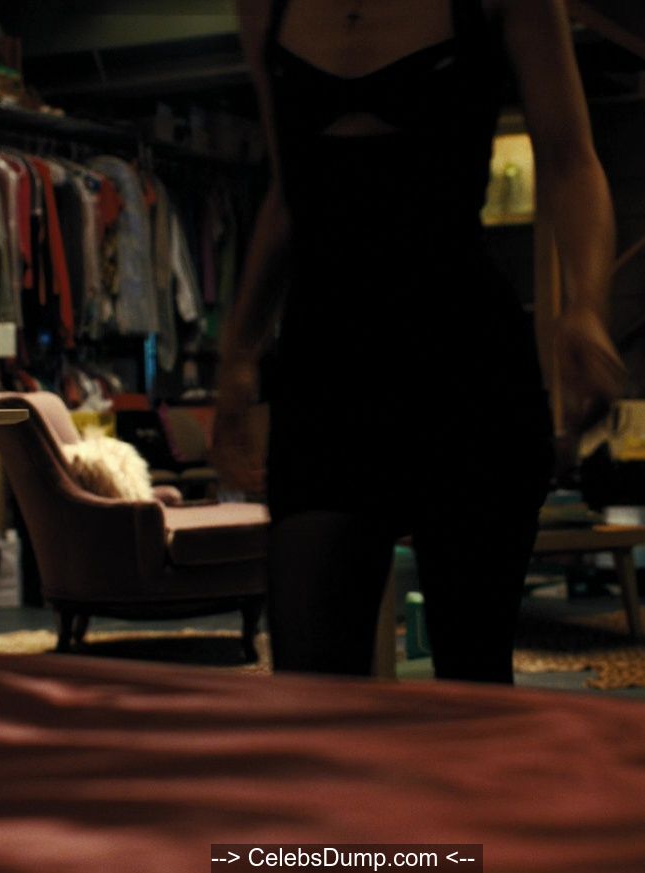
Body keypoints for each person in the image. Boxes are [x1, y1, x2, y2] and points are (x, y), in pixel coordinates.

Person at [213, 0, 622, 683]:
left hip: (464, 360)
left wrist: (586, 307)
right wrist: (237, 357)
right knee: (311, 686)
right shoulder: (266, 7)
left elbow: (570, 161)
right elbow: (288, 193)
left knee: (471, 679)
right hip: (327, 365)